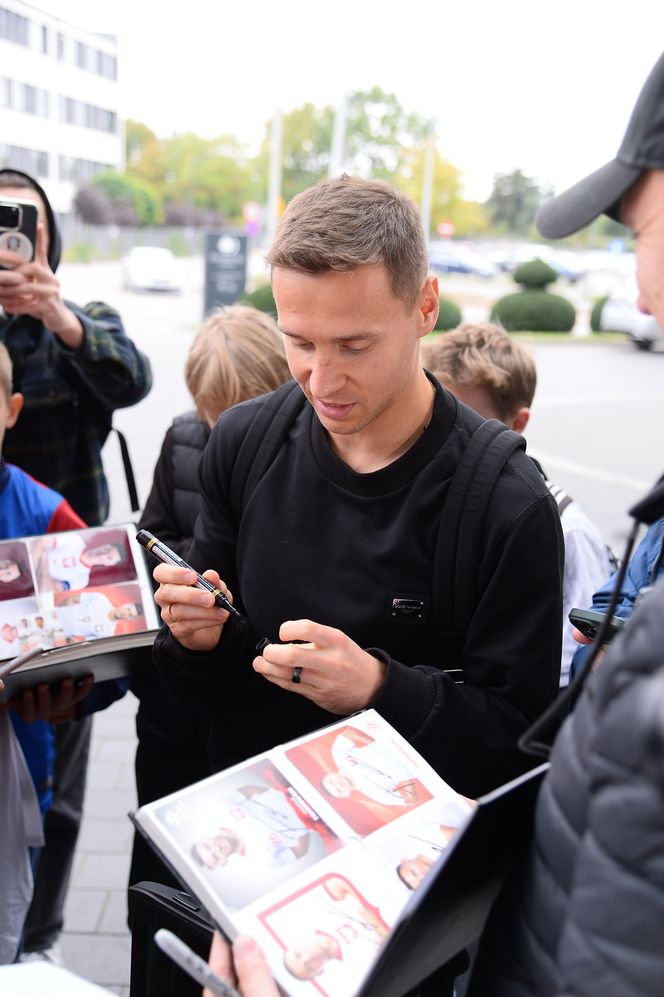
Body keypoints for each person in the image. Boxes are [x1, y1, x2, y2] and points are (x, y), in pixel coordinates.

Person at [152, 175, 563, 806]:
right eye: (299, 342)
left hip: (406, 865)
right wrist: (198, 640)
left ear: (425, 307)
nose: (322, 380)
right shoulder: (243, 441)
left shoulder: (506, 502)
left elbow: (519, 741)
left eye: (354, 345)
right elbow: (207, 683)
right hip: (250, 827)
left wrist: (379, 687)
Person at [0, 166, 151, 967]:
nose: (11, 236)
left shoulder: (82, 322)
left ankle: (41, 945)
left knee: (58, 781)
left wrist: (53, 312)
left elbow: (131, 377)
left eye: (24, 220)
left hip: (65, 592)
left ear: (50, 235)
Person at [128, 305, 292, 898]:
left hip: (250, 693)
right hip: (174, 698)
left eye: (244, 407)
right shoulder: (181, 439)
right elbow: (155, 530)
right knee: (163, 871)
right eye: (214, 411)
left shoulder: (299, 454)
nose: (227, 427)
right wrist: (174, 568)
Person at [422, 322, 614, 686]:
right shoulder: (433, 499)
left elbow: (583, 652)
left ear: (517, 423)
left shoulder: (566, 527)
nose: (447, 434)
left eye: (468, 421)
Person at [191, 784, 311, 870]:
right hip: (312, 815)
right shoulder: (262, 861)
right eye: (215, 856)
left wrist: (275, 795)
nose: (216, 849)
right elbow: (299, 851)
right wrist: (306, 824)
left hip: (291, 789)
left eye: (207, 846)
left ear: (205, 838)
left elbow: (248, 790)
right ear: (223, 862)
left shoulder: (222, 809)